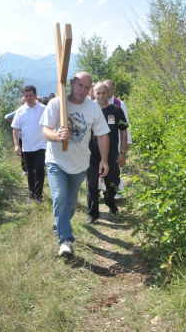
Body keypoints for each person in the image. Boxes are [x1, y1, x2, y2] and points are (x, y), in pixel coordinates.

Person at [40, 72, 110, 257]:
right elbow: (46, 130)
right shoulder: (57, 103)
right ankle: (66, 241)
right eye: (80, 85)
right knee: (60, 197)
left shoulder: (93, 108)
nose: (82, 90)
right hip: (56, 160)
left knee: (70, 204)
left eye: (87, 87)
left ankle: (60, 223)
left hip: (80, 163)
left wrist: (104, 160)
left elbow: (102, 134)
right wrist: (57, 136)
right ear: (71, 83)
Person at [86, 81, 128, 223]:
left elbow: (123, 132)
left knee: (113, 184)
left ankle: (109, 201)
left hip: (111, 156)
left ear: (109, 93)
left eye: (104, 92)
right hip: (91, 157)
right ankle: (93, 214)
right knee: (91, 186)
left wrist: (122, 152)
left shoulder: (116, 110)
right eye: (98, 93)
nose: (101, 95)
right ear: (93, 93)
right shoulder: (88, 110)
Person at [12, 85, 47, 204]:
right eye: (26, 96)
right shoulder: (20, 111)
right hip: (27, 147)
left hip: (41, 145)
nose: (28, 98)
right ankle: (31, 195)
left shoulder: (43, 109)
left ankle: (39, 195)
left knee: (39, 171)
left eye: (31, 95)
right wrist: (17, 145)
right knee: (30, 172)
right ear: (23, 96)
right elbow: (15, 129)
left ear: (35, 96)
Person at [104, 79, 132, 198]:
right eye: (106, 90)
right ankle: (103, 191)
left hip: (117, 141)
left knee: (115, 168)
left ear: (113, 90)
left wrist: (127, 143)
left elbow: (125, 125)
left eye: (110, 89)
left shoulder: (119, 104)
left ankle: (116, 194)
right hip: (101, 141)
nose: (108, 92)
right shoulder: (96, 103)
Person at [5, 97, 27, 175]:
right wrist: (17, 124)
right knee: (23, 153)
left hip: (31, 136)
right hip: (21, 136)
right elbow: (7, 117)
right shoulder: (20, 110)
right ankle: (24, 170)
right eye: (23, 103)